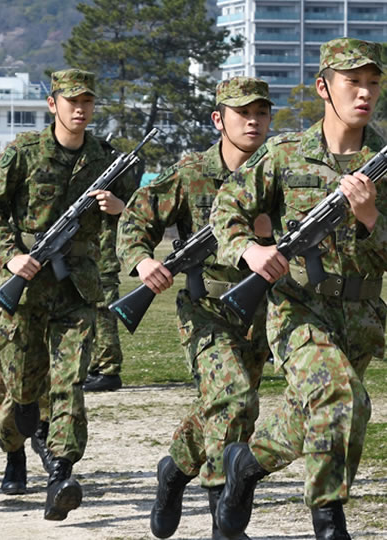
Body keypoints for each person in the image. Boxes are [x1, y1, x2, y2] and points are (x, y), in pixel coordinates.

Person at [210, 38, 385, 540]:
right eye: (354, 82)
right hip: (298, 309)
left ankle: (245, 463)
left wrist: (371, 215)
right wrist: (250, 250)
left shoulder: (383, 161)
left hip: (363, 312)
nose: (365, 93)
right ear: (323, 87)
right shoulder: (286, 154)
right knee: (338, 396)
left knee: (326, 413)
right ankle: (329, 521)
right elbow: (227, 210)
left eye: (373, 83)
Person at [117, 76, 273, 539]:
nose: (252, 120)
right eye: (242, 112)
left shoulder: (278, 169)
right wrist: (144, 261)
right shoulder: (191, 173)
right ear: (218, 118)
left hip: (258, 309)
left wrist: (267, 230)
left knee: (229, 410)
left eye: (261, 112)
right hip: (205, 308)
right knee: (234, 399)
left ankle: (173, 471)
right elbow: (136, 217)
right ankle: (223, 524)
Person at [0, 68, 130, 521]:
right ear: (52, 104)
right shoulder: (23, 153)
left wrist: (122, 209)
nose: (80, 109)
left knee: (68, 383)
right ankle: (15, 451)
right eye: (71, 101)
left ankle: (61, 471)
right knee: (18, 385)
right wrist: (10, 257)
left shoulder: (105, 158)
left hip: (76, 286)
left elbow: (141, 217)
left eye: (87, 102)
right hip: (24, 288)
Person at [83, 214, 125, 392]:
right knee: (88, 316)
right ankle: (94, 366)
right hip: (87, 261)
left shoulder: (115, 187)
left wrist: (118, 205)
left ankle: (109, 372)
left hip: (103, 262)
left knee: (104, 317)